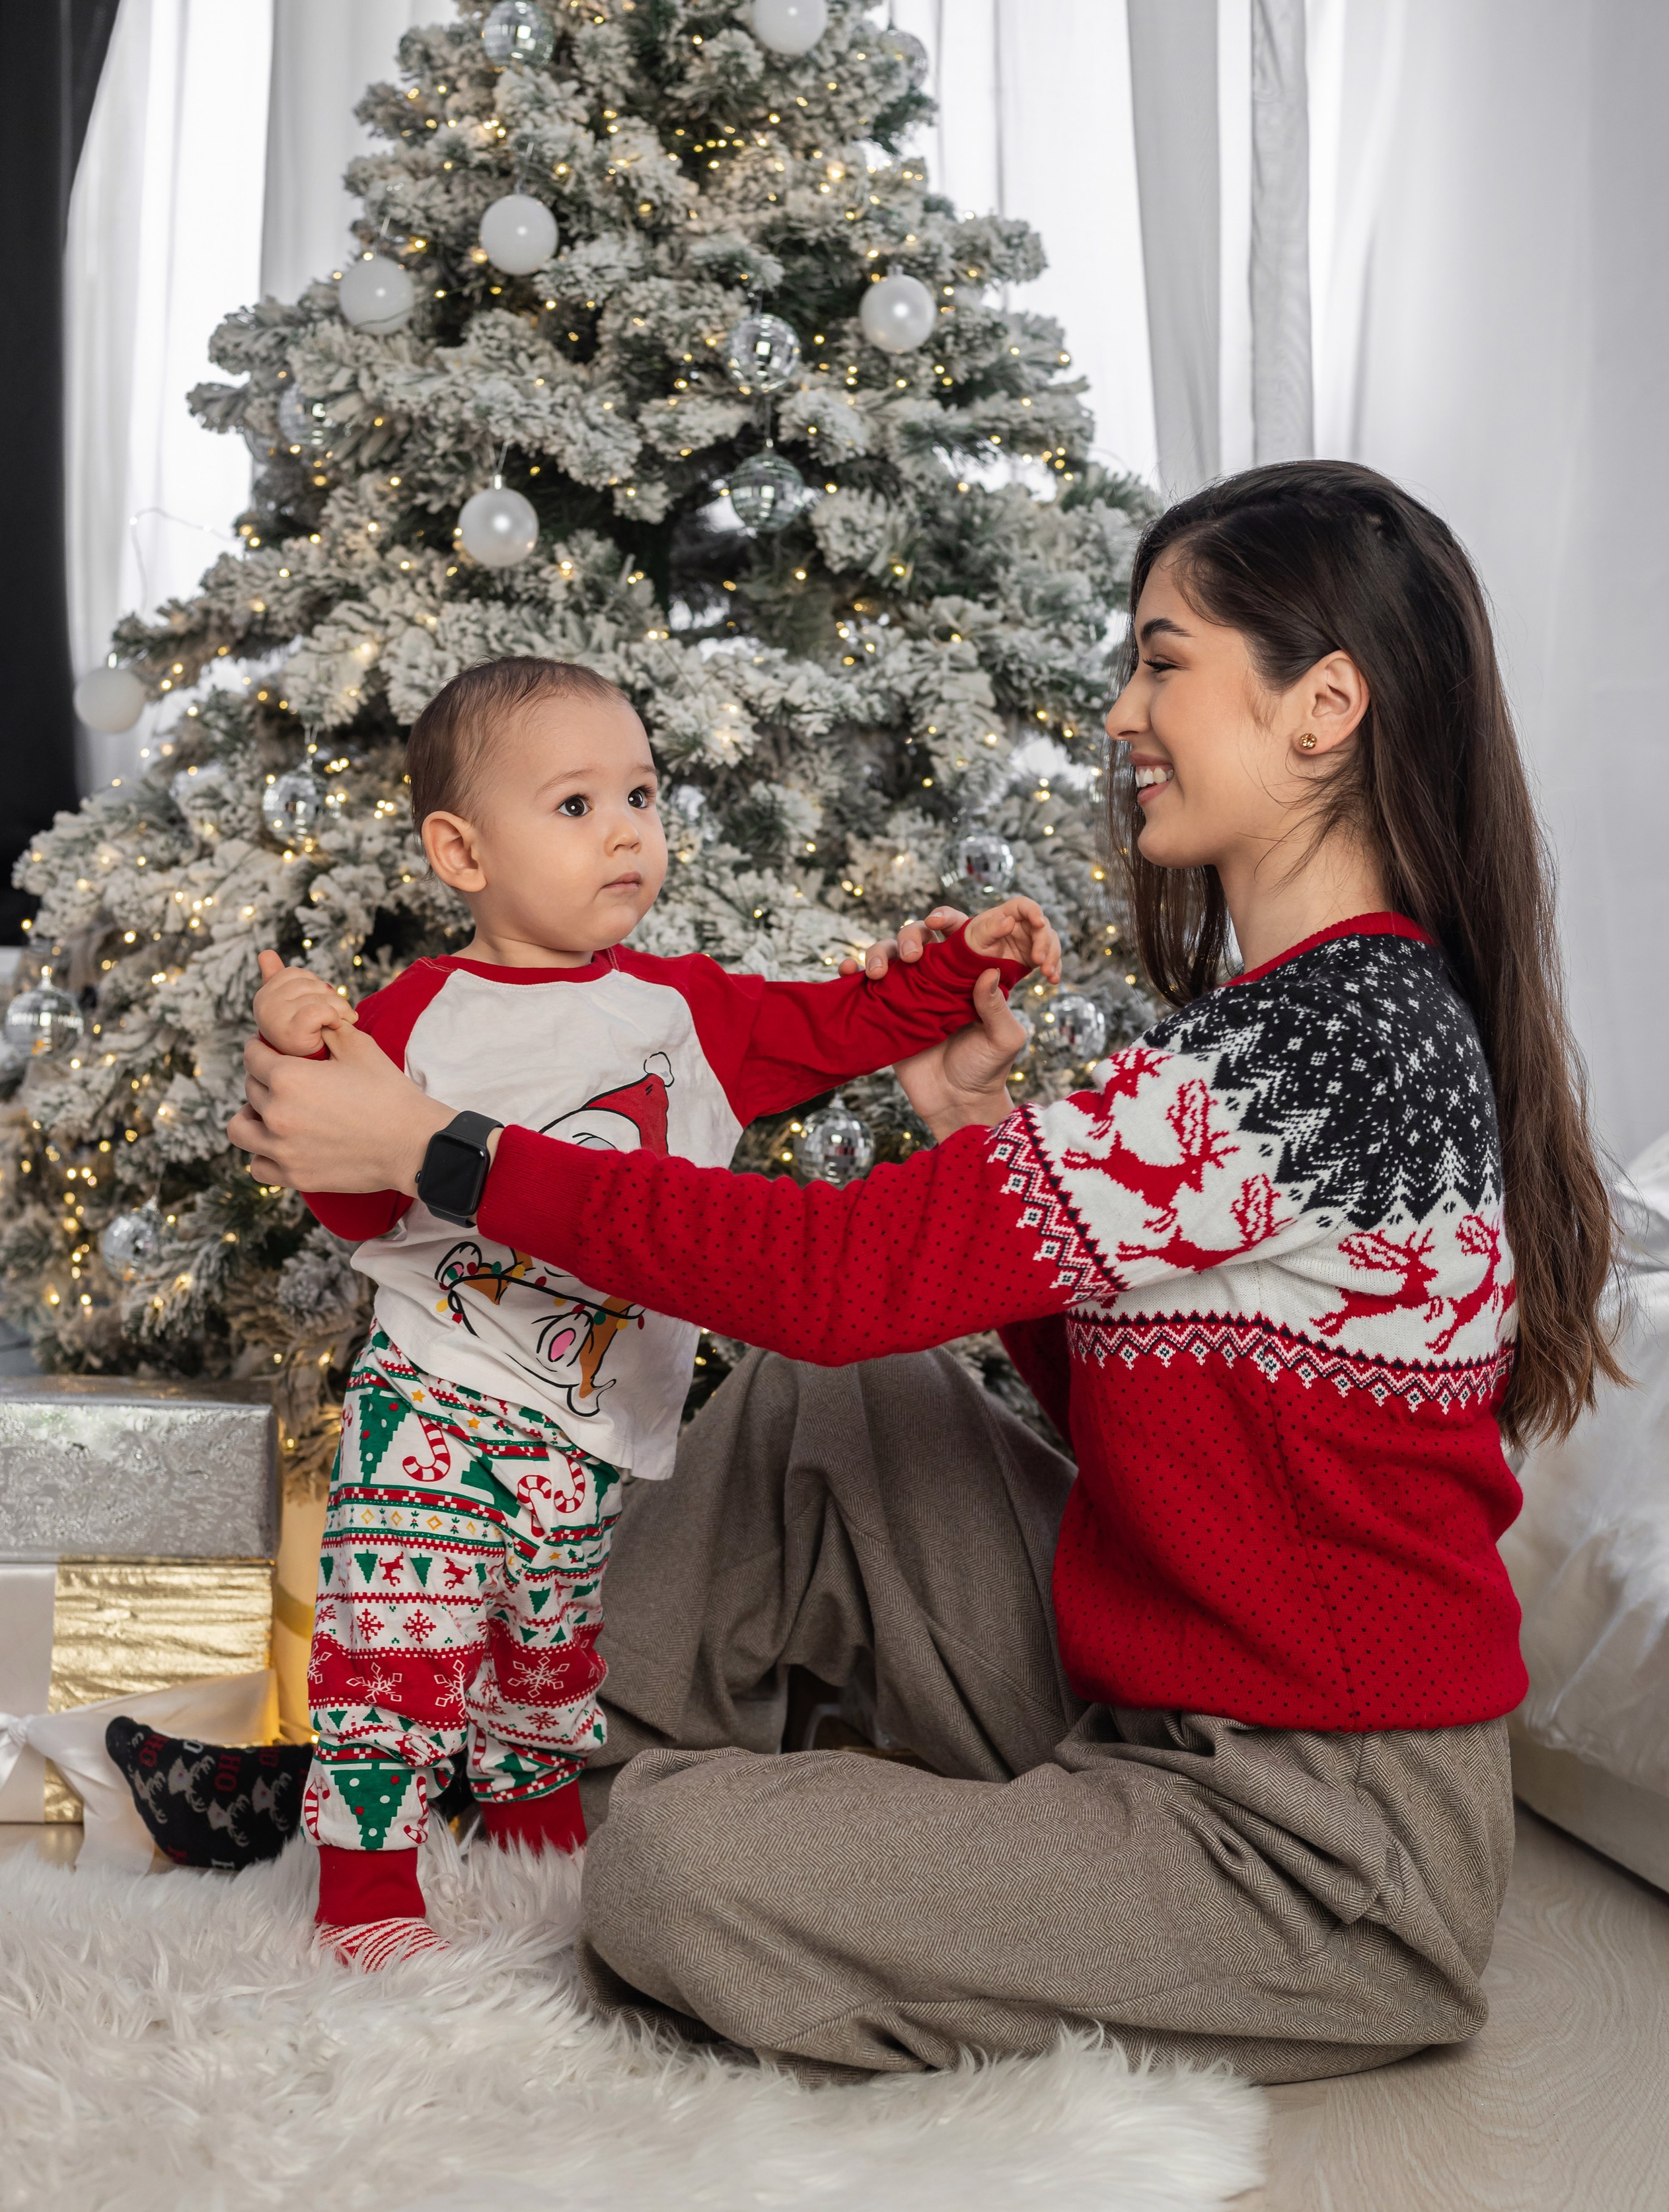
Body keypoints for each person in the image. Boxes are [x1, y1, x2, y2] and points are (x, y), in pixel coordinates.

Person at [229, 462, 1619, 2079]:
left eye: (1161, 661)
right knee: (839, 1400)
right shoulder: (1285, 1023)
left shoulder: (1329, 1050)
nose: (1120, 712)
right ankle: (454, 1769)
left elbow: (833, 1272)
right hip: (1156, 1705)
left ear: (1322, 705)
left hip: (1318, 1846)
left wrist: (435, 1146)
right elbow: (1149, 1418)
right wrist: (968, 1126)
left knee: (676, 1870)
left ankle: (606, 1795)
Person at [231, 655, 1057, 1970]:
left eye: (641, 795)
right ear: (461, 852)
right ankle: (365, 1893)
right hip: (436, 1394)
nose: (625, 831)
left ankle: (546, 1867)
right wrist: (305, 1044)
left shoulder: (682, 1015)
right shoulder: (419, 1017)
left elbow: (842, 1022)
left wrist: (961, 965)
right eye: (575, 805)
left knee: (550, 1657)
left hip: (589, 1425)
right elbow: (349, 1195)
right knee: (399, 1641)